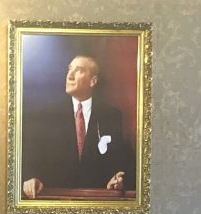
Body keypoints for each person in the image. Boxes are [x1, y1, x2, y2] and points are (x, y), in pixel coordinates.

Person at [21, 54, 136, 199]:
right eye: (70, 69)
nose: (70, 75)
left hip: (96, 201)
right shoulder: (48, 115)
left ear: (93, 81)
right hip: (55, 200)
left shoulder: (111, 115)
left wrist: (117, 180)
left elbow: (119, 161)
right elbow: (31, 157)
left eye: (78, 70)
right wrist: (30, 177)